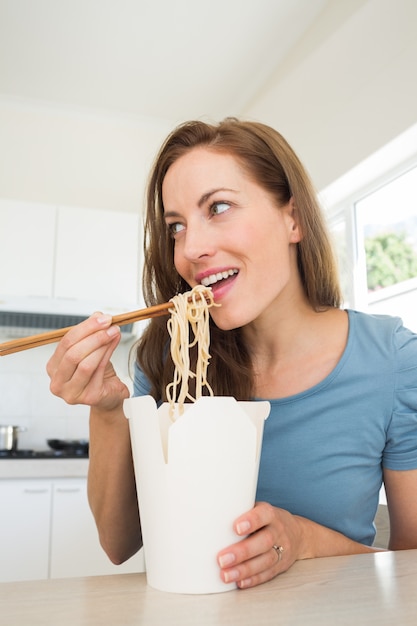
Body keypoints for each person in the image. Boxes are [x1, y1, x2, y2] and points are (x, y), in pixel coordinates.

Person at [47, 118, 417, 590]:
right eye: (176, 227)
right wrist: (105, 410)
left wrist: (303, 540)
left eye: (218, 207)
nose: (191, 249)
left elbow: (412, 566)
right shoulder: (164, 357)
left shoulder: (393, 361)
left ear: (294, 218)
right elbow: (119, 544)